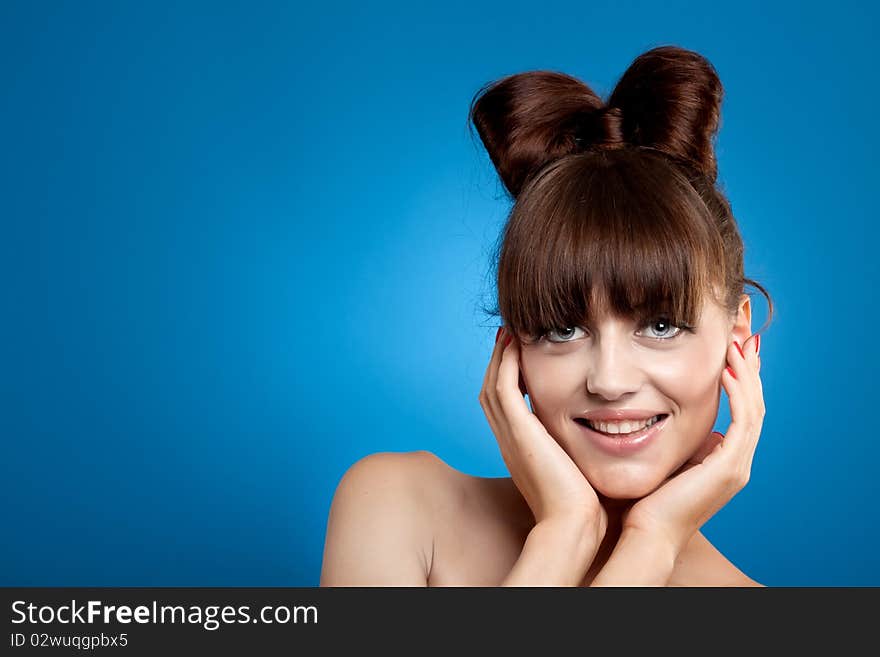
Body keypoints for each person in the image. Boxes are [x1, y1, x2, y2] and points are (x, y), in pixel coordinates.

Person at [320, 45, 772, 586]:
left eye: (659, 326)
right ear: (513, 351)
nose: (609, 381)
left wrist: (654, 540)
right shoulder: (398, 509)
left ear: (736, 336)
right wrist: (564, 533)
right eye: (563, 329)